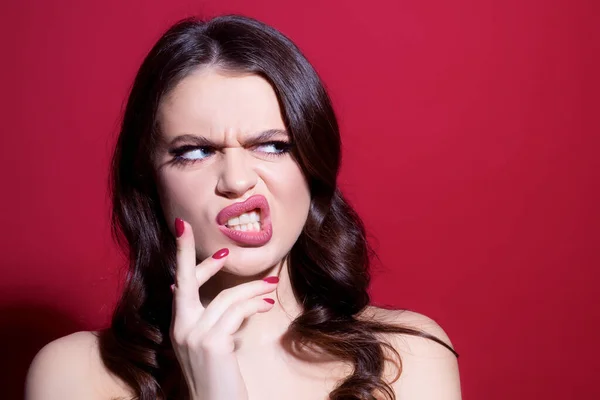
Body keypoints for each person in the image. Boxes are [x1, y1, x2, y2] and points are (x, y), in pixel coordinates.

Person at [25, 14, 461, 400]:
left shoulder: (409, 357)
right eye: (195, 152)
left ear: (313, 167)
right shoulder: (76, 375)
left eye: (272, 146)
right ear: (150, 182)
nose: (236, 180)